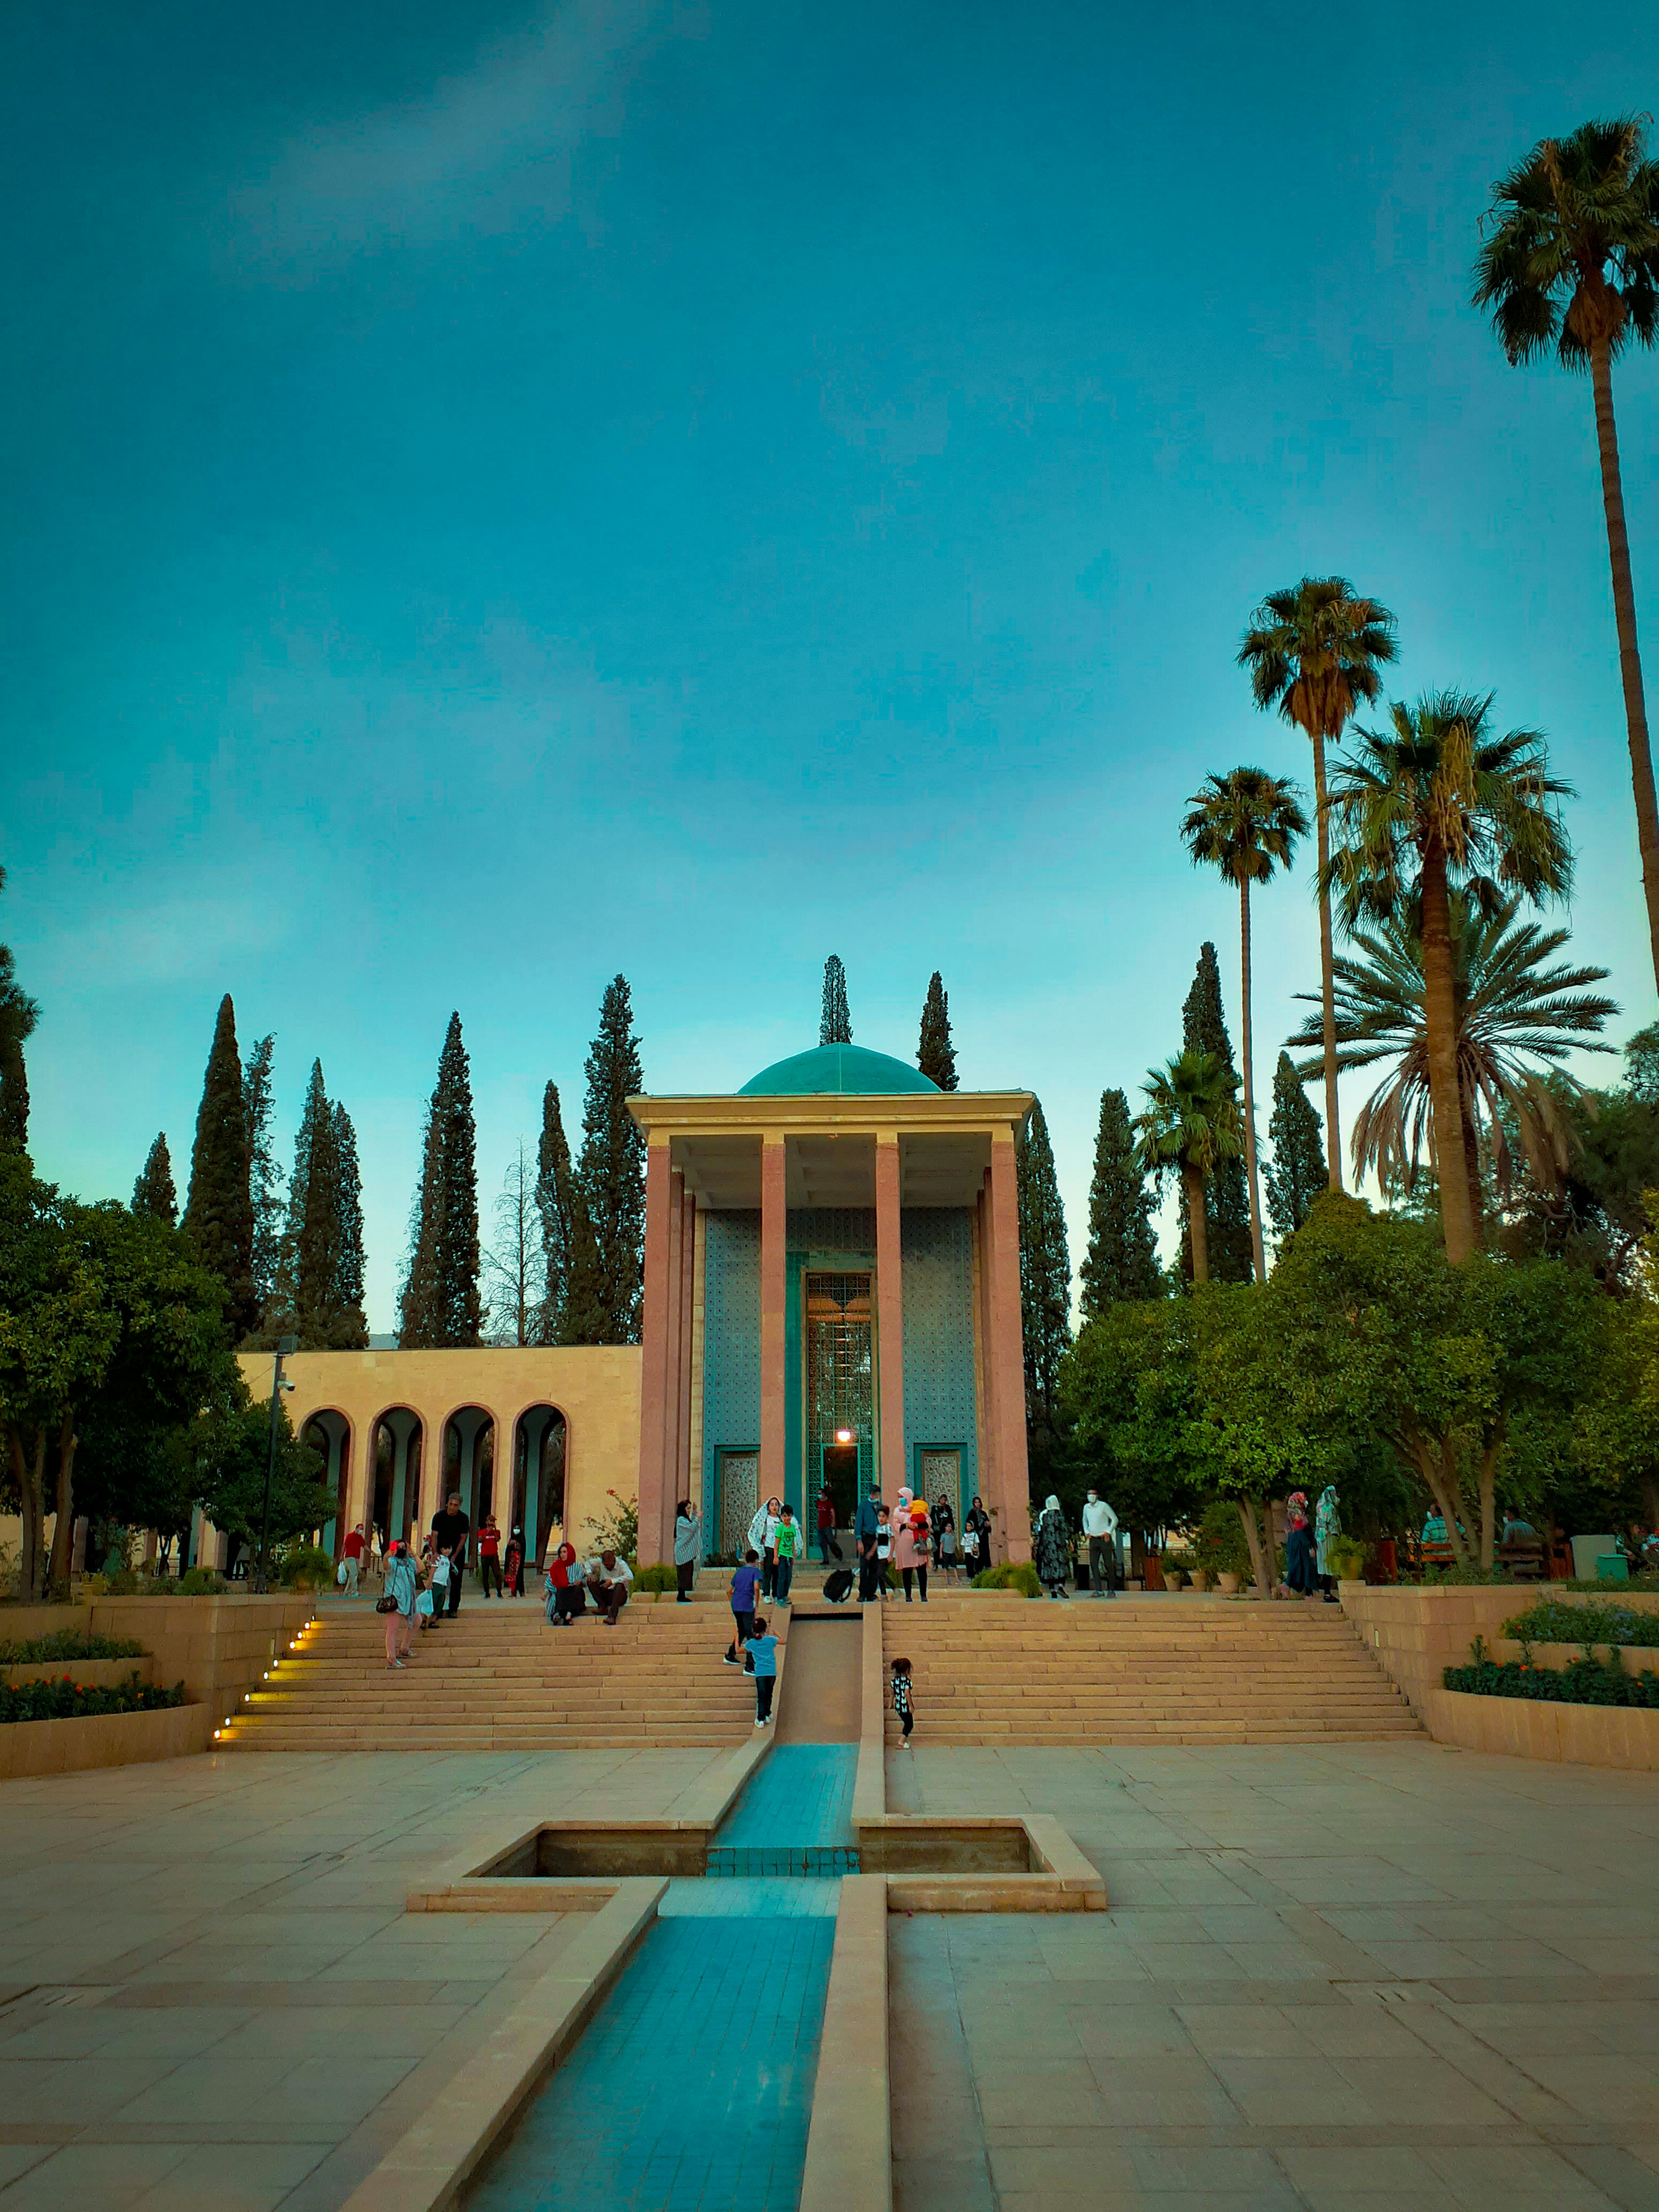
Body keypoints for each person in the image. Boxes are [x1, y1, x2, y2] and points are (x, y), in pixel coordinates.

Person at [430, 1493, 470, 1617]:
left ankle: (453, 1609)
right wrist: (435, 1553)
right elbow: (434, 1536)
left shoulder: (463, 1518)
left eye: (456, 1505)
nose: (452, 1508)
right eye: (451, 1504)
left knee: (456, 1582)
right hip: (441, 1553)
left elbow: (463, 1538)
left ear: (459, 1506)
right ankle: (437, 1609)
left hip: (456, 1553)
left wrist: (454, 1556)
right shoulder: (439, 1517)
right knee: (438, 1582)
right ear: (448, 1504)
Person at [380, 1540, 417, 1669]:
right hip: (395, 1601)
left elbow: (421, 1568)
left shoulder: (409, 1563)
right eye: (399, 1547)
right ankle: (391, 1659)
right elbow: (386, 1567)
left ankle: (404, 1648)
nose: (401, 1549)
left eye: (404, 1547)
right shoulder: (393, 1562)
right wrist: (387, 1555)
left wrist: (414, 1554)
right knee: (393, 1630)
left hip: (408, 1601)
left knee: (417, 1620)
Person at [725, 1548, 763, 1663]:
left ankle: (731, 1654)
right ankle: (750, 1663)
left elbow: (729, 1590)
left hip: (736, 1604)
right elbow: (756, 1588)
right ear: (755, 1560)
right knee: (750, 1632)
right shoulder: (755, 1572)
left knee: (742, 1630)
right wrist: (756, 1604)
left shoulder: (740, 1571)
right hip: (747, 1605)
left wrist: (733, 1602)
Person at [1081, 1489, 1119, 1598]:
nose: (1091, 1496)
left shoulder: (1103, 1506)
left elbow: (1114, 1519)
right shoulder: (1086, 1508)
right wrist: (1087, 1532)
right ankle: (1098, 1589)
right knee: (1093, 1564)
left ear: (1097, 1496)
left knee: (1108, 1564)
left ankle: (1111, 1589)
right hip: (1094, 1539)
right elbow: (1085, 1520)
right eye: (1089, 1494)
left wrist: (1108, 1532)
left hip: (1104, 1538)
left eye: (1093, 1494)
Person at [744, 1615, 780, 1726]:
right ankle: (768, 1714)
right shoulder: (770, 1640)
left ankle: (760, 1719)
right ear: (765, 1629)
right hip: (771, 1672)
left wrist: (736, 1638)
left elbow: (739, 1650)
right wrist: (776, 1633)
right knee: (769, 1694)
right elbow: (783, 1641)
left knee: (762, 1696)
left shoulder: (751, 1643)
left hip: (760, 1673)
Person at [1033, 1495, 1072, 1599]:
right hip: (1060, 1546)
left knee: (1049, 1567)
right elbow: (1065, 1531)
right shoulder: (1061, 1515)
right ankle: (1060, 1587)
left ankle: (1052, 1590)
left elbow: (1040, 1530)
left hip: (1048, 1546)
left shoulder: (1044, 1515)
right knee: (1062, 1566)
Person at [894, 1497, 929, 1603]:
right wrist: (906, 1525)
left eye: (902, 1496)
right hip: (906, 1544)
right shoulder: (898, 1510)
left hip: (920, 1541)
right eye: (899, 1496)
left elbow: (928, 1521)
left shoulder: (919, 1507)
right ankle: (908, 1595)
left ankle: (923, 1595)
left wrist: (918, 1525)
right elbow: (896, 1525)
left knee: (922, 1569)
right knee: (907, 1569)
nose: (901, 1499)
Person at [1281, 1492, 1316, 1597]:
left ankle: (1291, 1587)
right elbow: (1300, 1532)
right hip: (1300, 1545)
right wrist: (1310, 1547)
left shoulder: (1291, 1513)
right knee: (1302, 1567)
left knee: (1297, 1566)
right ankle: (1288, 1586)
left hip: (1294, 1543)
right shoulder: (1298, 1515)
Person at [586, 1549, 633, 1625]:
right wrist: (590, 1574)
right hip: (605, 1593)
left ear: (614, 1561)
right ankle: (602, 1607)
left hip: (619, 1596)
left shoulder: (621, 1564)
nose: (607, 1567)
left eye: (609, 1565)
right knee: (591, 1581)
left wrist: (612, 1581)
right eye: (605, 1565)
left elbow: (630, 1576)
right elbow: (587, 1563)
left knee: (620, 1585)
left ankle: (612, 1616)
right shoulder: (600, 1563)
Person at [1313, 1485, 1342, 1603]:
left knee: (1325, 1566)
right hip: (1327, 1538)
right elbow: (1328, 1523)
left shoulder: (1320, 1505)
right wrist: (1330, 1532)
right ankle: (1327, 1593)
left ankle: (1327, 1592)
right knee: (1328, 1566)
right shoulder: (1327, 1507)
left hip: (1322, 1538)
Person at [545, 1542, 585, 1625]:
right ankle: (565, 1614)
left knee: (578, 1591)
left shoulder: (578, 1566)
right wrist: (546, 1592)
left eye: (565, 1552)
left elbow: (584, 1580)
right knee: (562, 1591)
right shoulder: (556, 1566)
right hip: (562, 1590)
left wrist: (580, 1581)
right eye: (561, 1552)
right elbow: (550, 1580)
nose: (562, 1555)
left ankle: (566, 1614)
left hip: (574, 1590)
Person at [855, 1485, 882, 1604]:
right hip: (865, 1538)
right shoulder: (864, 1505)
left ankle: (872, 1593)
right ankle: (862, 1593)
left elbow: (884, 1525)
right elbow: (858, 1523)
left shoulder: (881, 1507)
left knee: (875, 1568)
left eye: (876, 1494)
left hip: (877, 1538)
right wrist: (859, 1540)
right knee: (864, 1567)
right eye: (872, 1494)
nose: (874, 1496)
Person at [673, 1501, 701, 1603]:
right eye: (688, 1508)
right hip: (683, 1552)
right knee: (683, 1573)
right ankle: (681, 1595)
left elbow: (692, 1524)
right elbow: (691, 1528)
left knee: (687, 1573)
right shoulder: (681, 1520)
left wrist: (694, 1512)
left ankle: (682, 1595)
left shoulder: (685, 1520)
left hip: (687, 1552)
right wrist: (697, 1517)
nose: (688, 1510)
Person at [773, 1504, 799, 1605]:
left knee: (789, 1577)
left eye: (789, 1516)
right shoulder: (780, 1528)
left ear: (791, 1516)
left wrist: (794, 1553)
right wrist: (776, 1556)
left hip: (789, 1556)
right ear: (781, 1517)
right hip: (782, 1555)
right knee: (782, 1576)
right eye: (784, 1516)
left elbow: (792, 1541)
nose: (787, 1518)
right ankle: (779, 1597)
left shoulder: (792, 1528)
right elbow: (777, 1543)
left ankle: (785, 1595)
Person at [477, 1515, 504, 1598]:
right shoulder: (481, 1531)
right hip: (485, 1555)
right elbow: (479, 1540)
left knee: (497, 1574)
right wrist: (487, 1532)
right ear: (486, 1522)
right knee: (485, 1575)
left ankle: (499, 1593)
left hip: (494, 1555)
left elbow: (497, 1539)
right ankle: (487, 1593)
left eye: (493, 1521)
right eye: (490, 1521)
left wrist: (494, 1530)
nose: (492, 1522)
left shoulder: (497, 1531)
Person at [891, 1655, 914, 1748]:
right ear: (907, 1670)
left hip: (898, 1706)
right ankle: (901, 1742)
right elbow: (907, 1694)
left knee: (907, 1723)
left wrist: (890, 1703)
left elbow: (892, 1693)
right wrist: (911, 1706)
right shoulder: (907, 1682)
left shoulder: (894, 1681)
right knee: (909, 1725)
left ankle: (902, 1741)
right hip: (905, 1706)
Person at [933, 1496, 958, 1583]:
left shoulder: (947, 1508)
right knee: (937, 1546)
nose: (944, 1501)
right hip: (937, 1531)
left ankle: (948, 1564)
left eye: (945, 1500)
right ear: (939, 1500)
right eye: (942, 1500)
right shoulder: (935, 1508)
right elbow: (933, 1518)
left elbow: (951, 1518)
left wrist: (952, 1528)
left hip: (945, 1530)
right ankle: (936, 1563)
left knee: (947, 1547)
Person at [815, 1486, 842, 1565]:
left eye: (820, 1493)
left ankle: (839, 1554)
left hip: (827, 1526)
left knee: (831, 1541)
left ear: (823, 1494)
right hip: (820, 1527)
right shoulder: (818, 1503)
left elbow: (833, 1513)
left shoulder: (828, 1503)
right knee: (822, 1543)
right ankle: (826, 1560)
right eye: (818, 1494)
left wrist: (833, 1522)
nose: (819, 1495)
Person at [966, 1496, 992, 1573]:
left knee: (985, 1550)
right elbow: (970, 1524)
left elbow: (988, 1524)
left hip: (984, 1535)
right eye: (976, 1502)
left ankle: (986, 1566)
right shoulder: (972, 1513)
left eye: (979, 1502)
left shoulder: (983, 1513)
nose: (978, 1504)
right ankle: (977, 1569)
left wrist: (988, 1525)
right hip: (976, 1535)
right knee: (977, 1552)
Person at [339, 1522, 367, 1597]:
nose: (361, 1531)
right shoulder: (350, 1536)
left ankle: (347, 1592)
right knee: (354, 1573)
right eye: (361, 1529)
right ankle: (354, 1591)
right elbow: (345, 1546)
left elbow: (364, 1546)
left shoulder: (360, 1538)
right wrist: (342, 1555)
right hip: (350, 1557)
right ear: (357, 1528)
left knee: (353, 1574)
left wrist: (370, 1551)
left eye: (362, 1529)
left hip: (356, 1558)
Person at [875, 1504, 893, 1597]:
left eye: (883, 1516)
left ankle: (894, 1588)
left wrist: (891, 1555)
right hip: (880, 1555)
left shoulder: (888, 1528)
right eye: (879, 1516)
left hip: (886, 1555)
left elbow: (893, 1540)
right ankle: (883, 1595)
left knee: (880, 1574)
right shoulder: (878, 1528)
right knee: (879, 1575)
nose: (881, 1519)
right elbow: (878, 1542)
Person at [504, 1527, 525, 1598]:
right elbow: (508, 1550)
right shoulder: (512, 1538)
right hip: (512, 1561)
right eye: (515, 1528)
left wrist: (516, 1543)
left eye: (518, 1528)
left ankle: (522, 1592)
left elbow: (522, 1548)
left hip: (518, 1560)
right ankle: (513, 1592)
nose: (516, 1530)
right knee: (512, 1576)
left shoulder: (522, 1539)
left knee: (518, 1575)